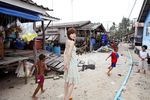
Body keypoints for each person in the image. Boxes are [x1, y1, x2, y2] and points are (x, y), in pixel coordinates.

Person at [64, 28, 80, 100]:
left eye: (74, 33)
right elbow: (69, 53)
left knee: (67, 81)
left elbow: (65, 53)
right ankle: (67, 98)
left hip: (68, 63)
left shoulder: (67, 41)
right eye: (71, 33)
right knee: (72, 83)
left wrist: (65, 63)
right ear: (68, 34)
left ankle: (65, 97)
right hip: (71, 63)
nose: (74, 35)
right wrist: (67, 64)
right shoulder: (72, 42)